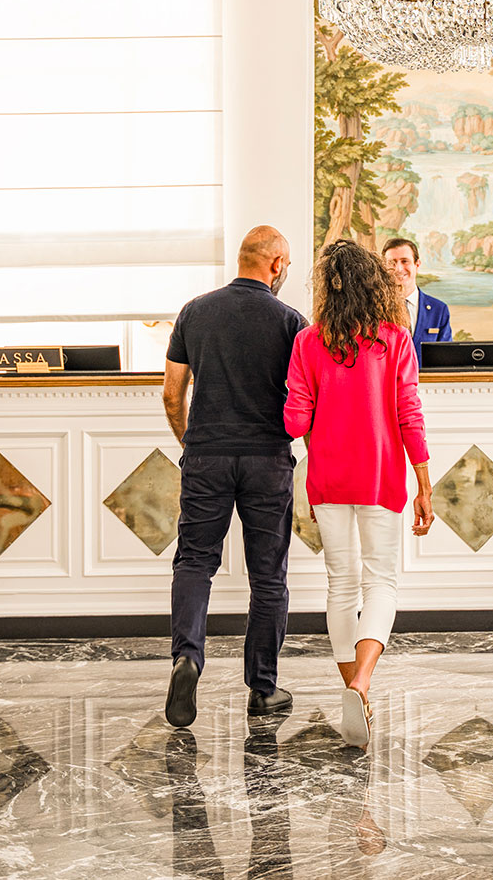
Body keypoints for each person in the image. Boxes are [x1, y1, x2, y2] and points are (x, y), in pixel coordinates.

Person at [284, 239, 435, 749]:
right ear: (376, 284)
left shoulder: (307, 343)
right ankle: (362, 684)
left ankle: (353, 691)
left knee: (340, 585)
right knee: (382, 582)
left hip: (327, 477)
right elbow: (408, 414)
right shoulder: (396, 340)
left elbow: (294, 421)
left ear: (328, 287)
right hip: (383, 475)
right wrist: (424, 482)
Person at [161, 224, 306, 728]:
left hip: (207, 456)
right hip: (268, 459)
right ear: (276, 264)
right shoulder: (291, 322)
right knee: (268, 577)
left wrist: (190, 441)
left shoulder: (194, 312)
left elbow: (171, 392)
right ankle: (263, 690)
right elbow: (305, 399)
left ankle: (188, 657)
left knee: (195, 562)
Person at [381, 236, 452, 347]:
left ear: (417, 265)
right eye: (392, 262)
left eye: (405, 261)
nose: (398, 268)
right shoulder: (373, 309)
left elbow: (447, 357)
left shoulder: (439, 310)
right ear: (384, 267)